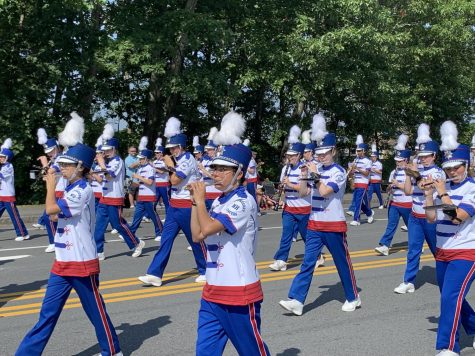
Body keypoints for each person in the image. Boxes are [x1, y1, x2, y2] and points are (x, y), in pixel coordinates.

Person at [16, 113, 122, 356]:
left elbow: (51, 209)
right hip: (63, 261)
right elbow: (53, 216)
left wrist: (50, 186)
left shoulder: (83, 189)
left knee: (95, 311)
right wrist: (54, 188)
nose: (61, 168)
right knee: (47, 313)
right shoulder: (71, 187)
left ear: (80, 168)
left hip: (82, 261)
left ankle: (113, 351)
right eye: (61, 164)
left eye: (66, 165)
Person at [189, 111, 270, 356]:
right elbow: (197, 236)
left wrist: (201, 202)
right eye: (214, 168)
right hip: (213, 289)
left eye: (223, 170)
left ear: (239, 174)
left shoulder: (243, 201)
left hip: (238, 290)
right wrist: (195, 203)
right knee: (205, 351)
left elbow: (210, 228)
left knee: (251, 351)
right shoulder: (218, 201)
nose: (215, 173)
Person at [279, 113, 360, 316]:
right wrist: (305, 176)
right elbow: (304, 192)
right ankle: (297, 300)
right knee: (308, 262)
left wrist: (314, 174)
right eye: (319, 153)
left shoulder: (338, 171)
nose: (321, 156)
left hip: (333, 223)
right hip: (315, 222)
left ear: (333, 151)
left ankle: (353, 297)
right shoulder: (315, 169)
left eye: (325, 153)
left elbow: (324, 191)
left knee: (342, 262)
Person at [423, 121, 475, 356]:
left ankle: (447, 347)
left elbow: (458, 217)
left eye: (457, 167)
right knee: (450, 297)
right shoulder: (444, 188)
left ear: (466, 165)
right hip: (443, 250)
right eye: (449, 167)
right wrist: (427, 194)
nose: (452, 171)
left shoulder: (472, 188)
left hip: (466, 251)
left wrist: (442, 191)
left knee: (450, 298)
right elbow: (432, 218)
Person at [138, 117, 206, 287]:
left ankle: (207, 269)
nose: (172, 151)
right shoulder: (178, 160)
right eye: (170, 148)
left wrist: (169, 166)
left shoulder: (188, 159)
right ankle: (155, 273)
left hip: (188, 206)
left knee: (195, 241)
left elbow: (175, 181)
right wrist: (170, 167)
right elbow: (173, 177)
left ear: (181, 147)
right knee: (165, 240)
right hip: (175, 206)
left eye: (174, 148)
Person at [394, 123, 445, 294]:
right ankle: (409, 280)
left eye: (426, 156)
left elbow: (424, 185)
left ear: (434, 156)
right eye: (420, 156)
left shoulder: (438, 172)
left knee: (438, 252)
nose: (423, 159)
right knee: (413, 250)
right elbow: (408, 191)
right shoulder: (417, 170)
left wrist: (414, 173)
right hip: (415, 216)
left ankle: (447, 279)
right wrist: (409, 174)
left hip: (430, 218)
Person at [94, 124, 145, 260]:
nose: (105, 152)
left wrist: (101, 163)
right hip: (105, 197)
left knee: (118, 224)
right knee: (99, 225)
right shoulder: (106, 161)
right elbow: (101, 179)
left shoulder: (118, 161)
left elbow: (110, 176)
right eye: (104, 150)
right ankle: (98, 251)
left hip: (115, 197)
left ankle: (137, 243)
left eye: (108, 150)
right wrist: (89, 173)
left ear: (114, 149)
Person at [268, 125, 310, 271]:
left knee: (306, 236)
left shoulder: (305, 169)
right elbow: (284, 186)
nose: (289, 158)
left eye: (292, 155)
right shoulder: (285, 169)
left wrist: (290, 184)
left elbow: (306, 191)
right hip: (289, 208)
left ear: (299, 155)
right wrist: (281, 193)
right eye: (288, 155)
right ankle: (281, 260)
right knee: (286, 235)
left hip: (304, 208)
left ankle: (316, 256)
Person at [374, 135, 412, 256]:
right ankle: (385, 245)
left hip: (407, 204)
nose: (397, 162)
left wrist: (398, 184)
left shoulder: (411, 173)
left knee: (412, 227)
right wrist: (390, 188)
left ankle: (416, 244)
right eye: (396, 161)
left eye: (399, 161)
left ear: (406, 160)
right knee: (391, 225)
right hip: (395, 203)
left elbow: (410, 190)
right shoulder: (393, 172)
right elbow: (391, 186)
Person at [36, 128, 68, 253]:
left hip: (62, 193)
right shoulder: (55, 159)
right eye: (48, 152)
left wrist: (45, 164)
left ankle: (55, 241)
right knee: (51, 217)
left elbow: (50, 171)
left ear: (56, 147)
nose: (49, 154)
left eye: (51, 151)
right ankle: (57, 240)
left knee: (49, 216)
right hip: (56, 192)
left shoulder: (60, 158)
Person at [129, 137, 163, 242]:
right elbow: (138, 180)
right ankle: (131, 233)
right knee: (137, 216)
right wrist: (133, 185)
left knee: (153, 216)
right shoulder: (141, 168)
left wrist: (138, 178)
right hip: (141, 196)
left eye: (141, 159)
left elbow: (149, 182)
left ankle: (160, 232)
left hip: (149, 196)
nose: (139, 160)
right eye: (139, 159)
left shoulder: (150, 168)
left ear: (146, 159)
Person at [0, 138, 29, 241]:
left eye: (3, 157)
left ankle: (23, 233)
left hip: (8, 196)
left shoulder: (8, 166)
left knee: (14, 216)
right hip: (1, 196)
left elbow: (2, 175)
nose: (1, 158)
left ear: (7, 158)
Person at [347, 135, 375, 226]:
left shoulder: (368, 161)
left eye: (359, 151)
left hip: (363, 184)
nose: (358, 152)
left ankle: (357, 219)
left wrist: (357, 168)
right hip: (356, 183)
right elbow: (353, 171)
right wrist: (350, 171)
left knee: (358, 201)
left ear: (364, 151)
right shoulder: (356, 159)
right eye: (357, 151)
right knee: (359, 202)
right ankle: (369, 213)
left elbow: (367, 173)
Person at [198, 127, 221, 211]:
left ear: (215, 150)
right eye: (207, 149)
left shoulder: (218, 161)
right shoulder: (205, 160)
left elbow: (214, 176)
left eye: (210, 150)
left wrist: (203, 169)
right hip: (205, 191)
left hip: (215, 191)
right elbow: (200, 175)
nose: (208, 151)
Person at [152, 138, 170, 211]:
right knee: (154, 200)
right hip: (156, 184)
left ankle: (168, 216)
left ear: (161, 153)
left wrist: (153, 168)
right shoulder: (154, 161)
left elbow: (162, 171)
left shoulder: (165, 161)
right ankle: (147, 216)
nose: (156, 154)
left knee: (166, 201)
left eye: (157, 153)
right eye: (155, 153)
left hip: (164, 183)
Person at [368, 144, 384, 209]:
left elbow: (380, 172)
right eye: (371, 157)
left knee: (378, 193)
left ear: (376, 157)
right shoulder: (369, 162)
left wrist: (374, 170)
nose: (372, 158)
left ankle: (381, 204)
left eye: (374, 157)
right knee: (369, 194)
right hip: (371, 180)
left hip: (377, 181)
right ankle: (368, 206)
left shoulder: (379, 164)